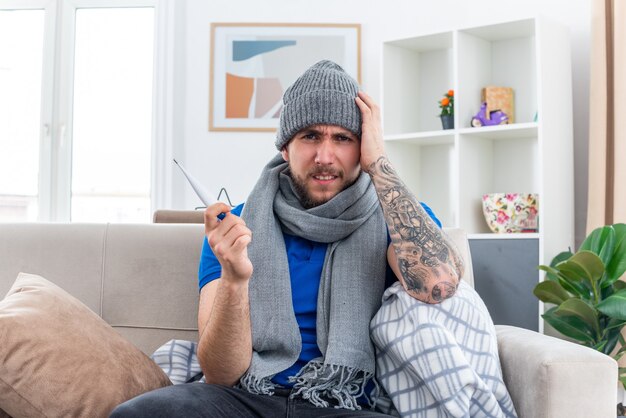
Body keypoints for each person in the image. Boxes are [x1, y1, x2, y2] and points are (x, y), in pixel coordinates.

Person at [111, 60, 465, 417]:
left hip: (345, 404)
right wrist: (235, 278)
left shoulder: (396, 214)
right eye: (310, 136)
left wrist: (379, 164)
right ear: (285, 147)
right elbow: (220, 373)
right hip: (248, 398)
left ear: (362, 146)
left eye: (343, 138)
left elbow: (440, 284)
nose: (324, 156)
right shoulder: (235, 227)